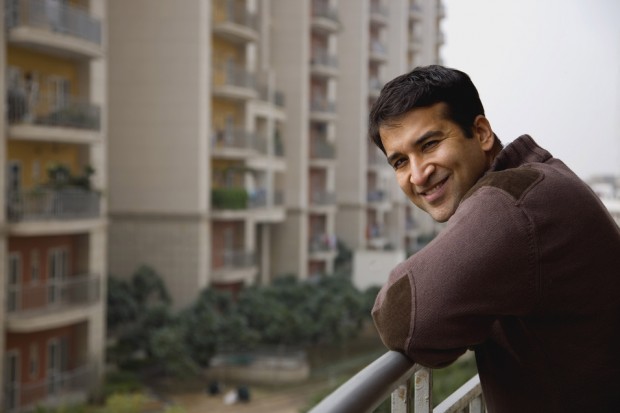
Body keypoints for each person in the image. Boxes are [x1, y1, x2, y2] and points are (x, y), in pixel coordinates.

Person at [368, 65, 620, 412]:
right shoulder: (535, 178)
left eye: (429, 144)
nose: (418, 173)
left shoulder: (511, 203)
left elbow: (403, 321)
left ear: (481, 133)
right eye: (399, 161)